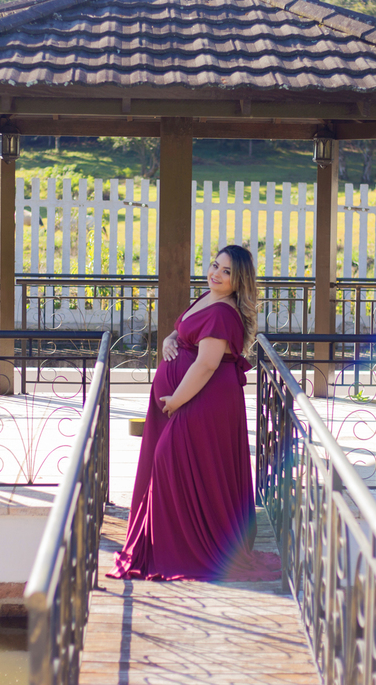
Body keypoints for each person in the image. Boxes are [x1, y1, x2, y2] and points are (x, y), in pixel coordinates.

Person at [109, 245, 280, 581]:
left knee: (169, 460)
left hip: (200, 401)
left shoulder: (222, 313)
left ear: (239, 279)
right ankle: (172, 541)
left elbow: (205, 365)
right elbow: (184, 329)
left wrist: (174, 401)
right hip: (188, 399)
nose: (216, 274)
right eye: (215, 265)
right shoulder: (208, 297)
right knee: (190, 470)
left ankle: (186, 547)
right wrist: (168, 341)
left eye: (226, 271)